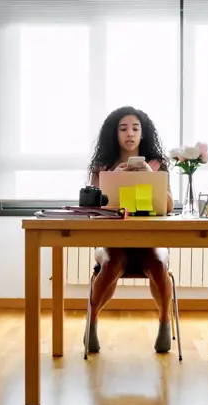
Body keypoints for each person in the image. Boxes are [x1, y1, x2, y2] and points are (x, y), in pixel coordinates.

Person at [86, 105, 175, 354]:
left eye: (135, 128)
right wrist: (113, 176)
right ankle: (91, 324)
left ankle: (164, 324)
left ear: (143, 133)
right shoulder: (102, 165)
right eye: (123, 128)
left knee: (158, 265)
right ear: (114, 134)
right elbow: (94, 207)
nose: (130, 133)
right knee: (112, 263)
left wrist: (150, 176)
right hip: (112, 241)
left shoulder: (157, 165)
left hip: (149, 241)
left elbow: (168, 207)